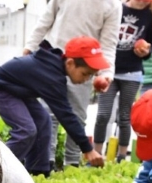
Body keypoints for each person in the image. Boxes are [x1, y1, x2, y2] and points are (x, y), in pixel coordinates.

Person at [0, 37, 108, 176]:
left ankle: (38, 172)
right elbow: (66, 116)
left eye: (91, 75)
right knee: (26, 131)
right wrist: (87, 149)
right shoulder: (52, 77)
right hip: (0, 88)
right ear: (70, 63)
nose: (87, 79)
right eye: (85, 73)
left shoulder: (55, 67)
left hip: (19, 90)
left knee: (44, 121)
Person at [23, 0, 122, 170]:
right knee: (48, 115)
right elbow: (45, 20)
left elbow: (109, 43)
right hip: (53, 58)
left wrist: (105, 73)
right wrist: (29, 47)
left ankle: (72, 164)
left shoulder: (113, 5)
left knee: (77, 116)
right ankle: (46, 162)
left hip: (84, 65)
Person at [93, 0, 152, 163]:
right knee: (103, 114)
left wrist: (145, 51)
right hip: (109, 70)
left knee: (124, 116)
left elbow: (151, 46)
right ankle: (95, 154)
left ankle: (121, 157)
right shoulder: (117, 8)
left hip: (132, 73)